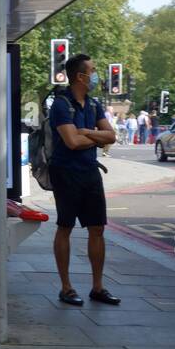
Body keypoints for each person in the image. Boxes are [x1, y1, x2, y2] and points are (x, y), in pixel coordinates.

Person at [49, 53, 120, 308]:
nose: (95, 75)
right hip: (65, 173)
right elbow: (71, 142)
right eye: (92, 70)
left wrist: (88, 131)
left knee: (97, 228)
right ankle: (66, 288)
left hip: (90, 171)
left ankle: (98, 287)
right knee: (65, 227)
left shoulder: (93, 105)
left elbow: (111, 136)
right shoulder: (60, 104)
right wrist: (95, 137)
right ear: (80, 76)